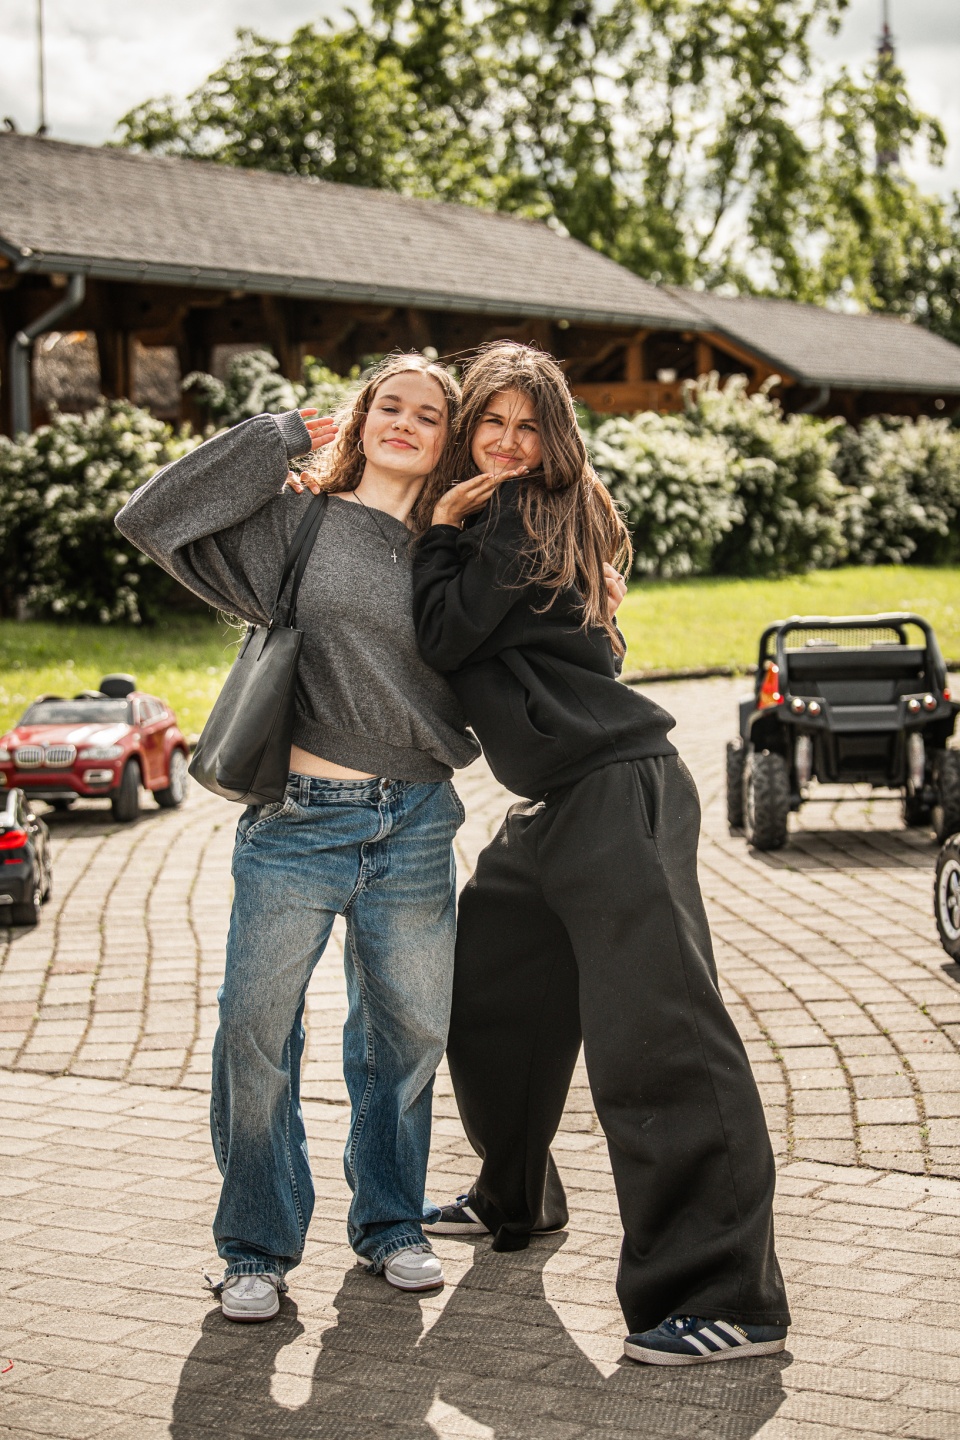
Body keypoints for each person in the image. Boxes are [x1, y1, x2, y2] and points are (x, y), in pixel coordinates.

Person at [411, 342, 791, 1367]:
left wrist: (437, 534)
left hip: (619, 793)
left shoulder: (510, 518)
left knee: (659, 1042)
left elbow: (443, 635)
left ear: (555, 439)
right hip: (556, 803)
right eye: (492, 422)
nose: (507, 443)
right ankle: (514, 1193)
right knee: (490, 999)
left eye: (528, 427)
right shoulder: (518, 515)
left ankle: (730, 1299)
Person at [116, 354, 481, 1319]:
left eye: (429, 415)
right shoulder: (297, 523)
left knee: (407, 1035)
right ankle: (256, 1247)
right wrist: (270, 438)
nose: (406, 422)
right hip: (296, 824)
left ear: (448, 441)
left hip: (416, 821)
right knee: (256, 1031)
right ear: (361, 418)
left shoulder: (459, 548)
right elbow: (150, 517)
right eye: (390, 404)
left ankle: (392, 1223)